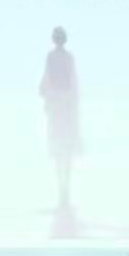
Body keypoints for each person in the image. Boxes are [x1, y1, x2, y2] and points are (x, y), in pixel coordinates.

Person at [38, 25, 81, 209]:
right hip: (66, 106)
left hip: (57, 105)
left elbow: (45, 83)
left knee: (58, 144)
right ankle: (65, 183)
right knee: (66, 145)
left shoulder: (52, 57)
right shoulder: (68, 58)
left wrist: (47, 96)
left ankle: (62, 183)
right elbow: (73, 83)